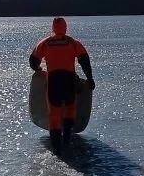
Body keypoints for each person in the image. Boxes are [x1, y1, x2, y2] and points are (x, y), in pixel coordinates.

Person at [29, 17, 95, 153]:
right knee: (70, 109)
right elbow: (84, 60)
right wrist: (90, 78)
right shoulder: (73, 42)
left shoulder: (45, 43)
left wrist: (38, 69)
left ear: (53, 28)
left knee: (54, 113)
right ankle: (67, 139)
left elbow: (33, 61)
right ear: (65, 28)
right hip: (69, 80)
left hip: (53, 81)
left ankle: (57, 147)